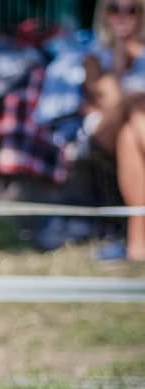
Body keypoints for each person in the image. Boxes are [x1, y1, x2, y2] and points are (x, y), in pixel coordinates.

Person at [83, 0, 145, 261]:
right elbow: (108, 100)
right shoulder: (95, 56)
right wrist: (120, 60)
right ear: (104, 14)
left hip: (133, 131)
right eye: (114, 8)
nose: (122, 16)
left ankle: (137, 243)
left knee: (129, 137)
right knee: (134, 104)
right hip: (103, 127)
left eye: (132, 9)